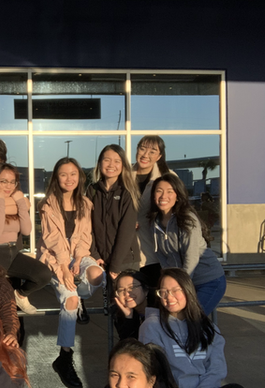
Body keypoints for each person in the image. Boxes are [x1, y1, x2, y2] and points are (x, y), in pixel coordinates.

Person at [139, 268, 253, 388]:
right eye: (164, 292)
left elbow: (216, 370)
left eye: (175, 290)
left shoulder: (207, 327)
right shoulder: (152, 327)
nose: (169, 297)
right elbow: (159, 376)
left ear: (188, 290)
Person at [37, 157, 105, 388]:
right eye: (63, 174)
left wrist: (79, 259)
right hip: (54, 257)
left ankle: (81, 297)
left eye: (73, 174)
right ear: (56, 178)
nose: (69, 179)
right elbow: (52, 240)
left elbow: (85, 237)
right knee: (70, 300)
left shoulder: (85, 203)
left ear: (80, 177)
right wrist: (65, 267)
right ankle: (64, 357)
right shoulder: (47, 204)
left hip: (78, 255)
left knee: (97, 274)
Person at [0, 162, 51, 314]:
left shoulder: (16, 204)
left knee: (43, 274)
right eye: (3, 181)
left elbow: (27, 230)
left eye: (12, 182)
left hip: (13, 252)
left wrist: (21, 203)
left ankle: (20, 295)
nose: (8, 186)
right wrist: (0, 202)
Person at [148, 173, 226, 315]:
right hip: (182, 284)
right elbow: (161, 255)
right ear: (153, 195)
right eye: (159, 191)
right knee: (175, 320)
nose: (164, 196)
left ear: (177, 195)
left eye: (170, 191)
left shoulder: (187, 219)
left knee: (192, 318)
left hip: (208, 281)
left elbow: (192, 257)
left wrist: (180, 286)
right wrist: (170, 282)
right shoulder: (155, 222)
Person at [88, 144, 141, 281]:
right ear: (100, 163)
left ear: (123, 165)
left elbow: (126, 231)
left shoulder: (128, 192)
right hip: (99, 260)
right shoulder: (92, 191)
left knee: (126, 294)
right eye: (107, 160)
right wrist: (95, 254)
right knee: (106, 295)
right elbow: (87, 227)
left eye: (117, 161)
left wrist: (115, 265)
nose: (111, 165)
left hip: (125, 261)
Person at [132, 135, 172, 287]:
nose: (145, 155)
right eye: (142, 149)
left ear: (159, 156)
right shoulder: (123, 176)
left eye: (152, 151)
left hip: (157, 253)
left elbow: (176, 212)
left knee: (155, 296)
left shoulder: (168, 178)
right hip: (127, 251)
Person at [112, 270, 152, 341]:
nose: (127, 294)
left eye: (132, 287)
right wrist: (129, 318)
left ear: (146, 290)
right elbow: (128, 344)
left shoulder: (159, 309)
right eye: (121, 290)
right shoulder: (119, 314)